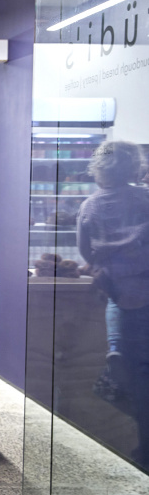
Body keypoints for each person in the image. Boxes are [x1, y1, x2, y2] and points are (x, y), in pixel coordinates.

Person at [77, 141, 149, 467]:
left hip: (117, 291)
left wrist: (100, 264)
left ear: (98, 169)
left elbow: (85, 250)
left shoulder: (90, 205)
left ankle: (115, 349)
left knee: (133, 374)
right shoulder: (145, 199)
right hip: (145, 290)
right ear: (133, 167)